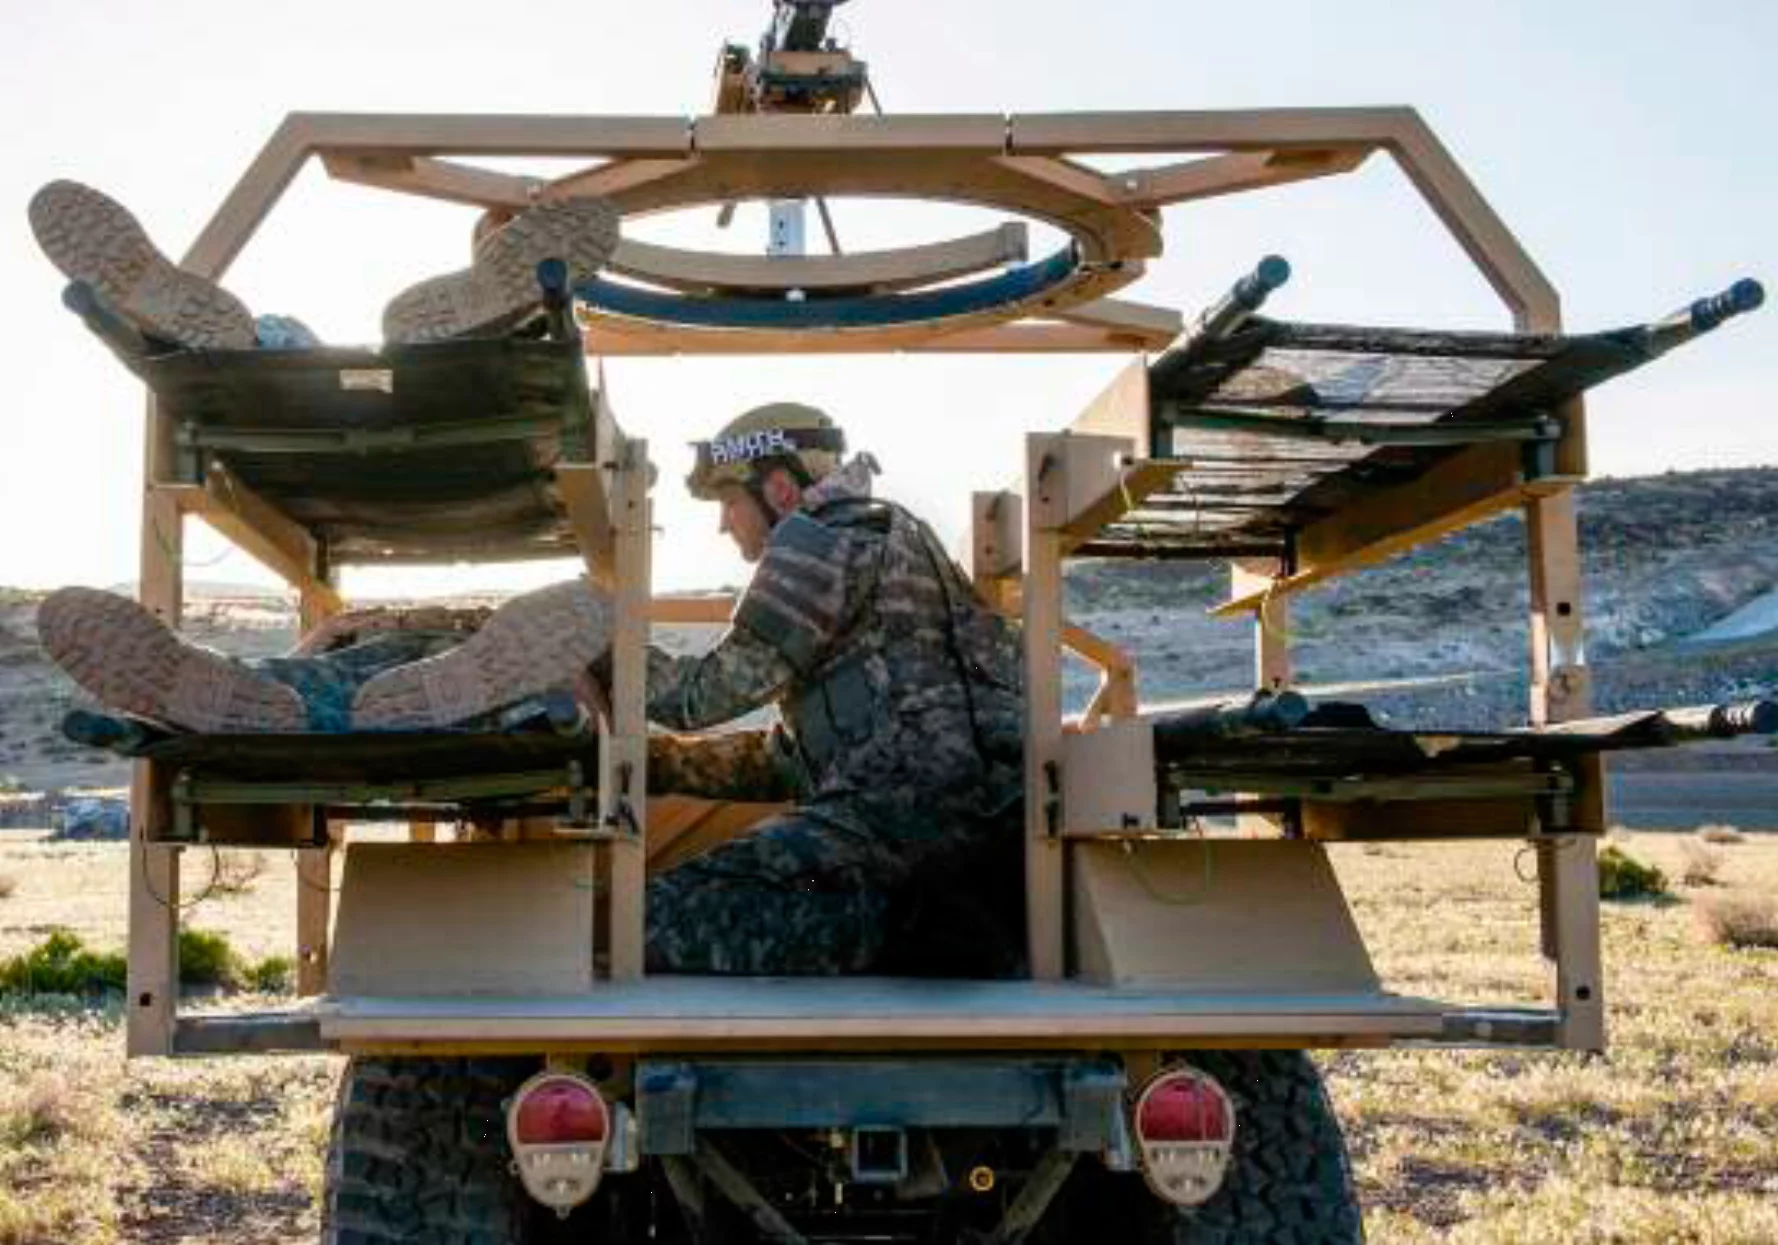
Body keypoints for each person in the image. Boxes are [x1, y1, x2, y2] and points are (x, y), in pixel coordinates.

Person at [635, 402, 1027, 976]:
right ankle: (933, 918)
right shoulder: (881, 540)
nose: (723, 523)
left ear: (779, 490)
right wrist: (657, 763)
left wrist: (599, 648)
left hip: (892, 825)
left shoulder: (820, 539)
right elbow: (789, 760)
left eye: (729, 501)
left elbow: (701, 696)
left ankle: (923, 929)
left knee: (652, 919)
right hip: (958, 826)